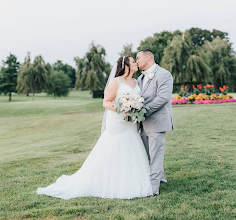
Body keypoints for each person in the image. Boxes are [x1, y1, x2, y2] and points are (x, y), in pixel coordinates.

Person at [36, 56, 153, 200]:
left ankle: (132, 178)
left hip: (131, 123)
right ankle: (108, 181)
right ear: (127, 66)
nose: (136, 63)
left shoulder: (136, 82)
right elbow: (106, 102)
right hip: (117, 121)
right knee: (114, 147)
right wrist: (122, 109)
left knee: (132, 145)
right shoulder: (116, 82)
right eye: (133, 61)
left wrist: (135, 108)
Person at [136, 49, 174, 195]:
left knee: (156, 154)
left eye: (138, 58)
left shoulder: (164, 74)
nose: (137, 61)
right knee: (147, 154)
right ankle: (161, 177)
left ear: (148, 57)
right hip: (143, 123)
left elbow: (162, 98)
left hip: (157, 122)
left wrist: (143, 111)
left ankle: (153, 188)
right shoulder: (140, 78)